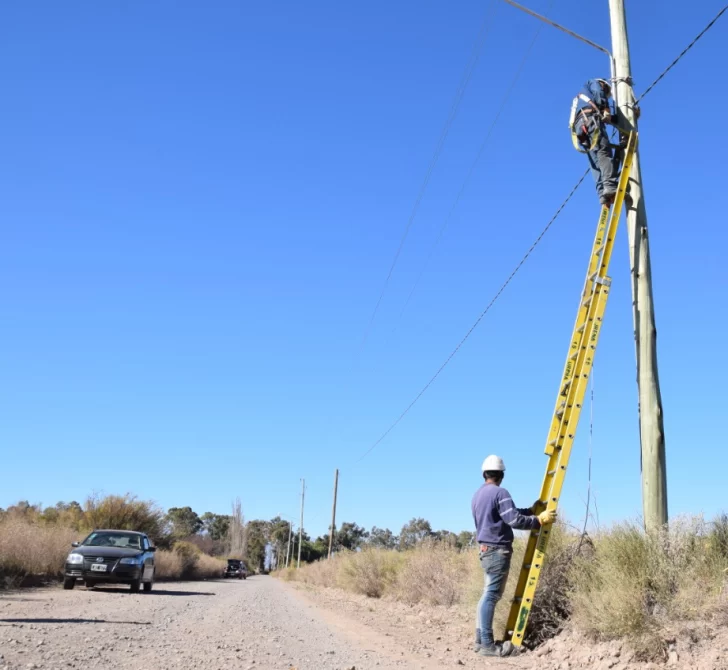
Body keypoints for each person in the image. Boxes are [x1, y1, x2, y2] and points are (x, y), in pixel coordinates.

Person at [471, 455, 557, 658]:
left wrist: (530, 511)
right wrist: (538, 520)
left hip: (485, 549)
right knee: (491, 595)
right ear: (501, 474)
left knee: (487, 594)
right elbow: (514, 520)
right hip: (497, 550)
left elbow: (506, 513)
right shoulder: (501, 492)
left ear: (485, 474)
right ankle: (488, 646)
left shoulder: (478, 495)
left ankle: (480, 641)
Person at [571, 78, 620, 207]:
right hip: (590, 121)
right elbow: (599, 92)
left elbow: (607, 118)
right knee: (604, 153)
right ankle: (609, 186)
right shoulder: (593, 83)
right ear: (603, 84)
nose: (605, 94)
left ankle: (602, 195)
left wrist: (615, 118)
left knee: (595, 162)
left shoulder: (584, 101)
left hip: (580, 129)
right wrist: (606, 108)